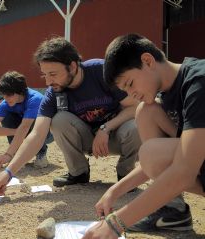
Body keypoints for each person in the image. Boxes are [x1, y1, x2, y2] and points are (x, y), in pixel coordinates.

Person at [0, 37, 140, 197]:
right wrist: (8, 173)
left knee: (134, 126)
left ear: (72, 66)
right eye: (44, 75)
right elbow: (36, 134)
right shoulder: (54, 93)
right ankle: (79, 173)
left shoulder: (102, 71)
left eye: (53, 74)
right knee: (59, 120)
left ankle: (126, 174)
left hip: (116, 137)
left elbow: (135, 106)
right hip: (88, 140)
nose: (48, 81)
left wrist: (106, 128)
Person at [83, 33, 205, 239]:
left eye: (130, 84)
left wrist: (116, 223)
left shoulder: (199, 81)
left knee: (150, 150)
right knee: (146, 112)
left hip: (192, 166)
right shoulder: (167, 95)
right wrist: (114, 191)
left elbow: (184, 169)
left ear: (147, 61)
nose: (132, 94)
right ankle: (173, 211)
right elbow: (170, 158)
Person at [0, 71, 53, 170]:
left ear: (20, 90)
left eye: (9, 94)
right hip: (23, 130)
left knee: (35, 121)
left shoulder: (35, 99)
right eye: (4, 94)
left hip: (48, 133)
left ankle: (41, 153)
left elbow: (25, 127)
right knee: (8, 116)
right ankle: (16, 153)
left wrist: (7, 154)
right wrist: (16, 132)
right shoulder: (6, 103)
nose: (5, 98)